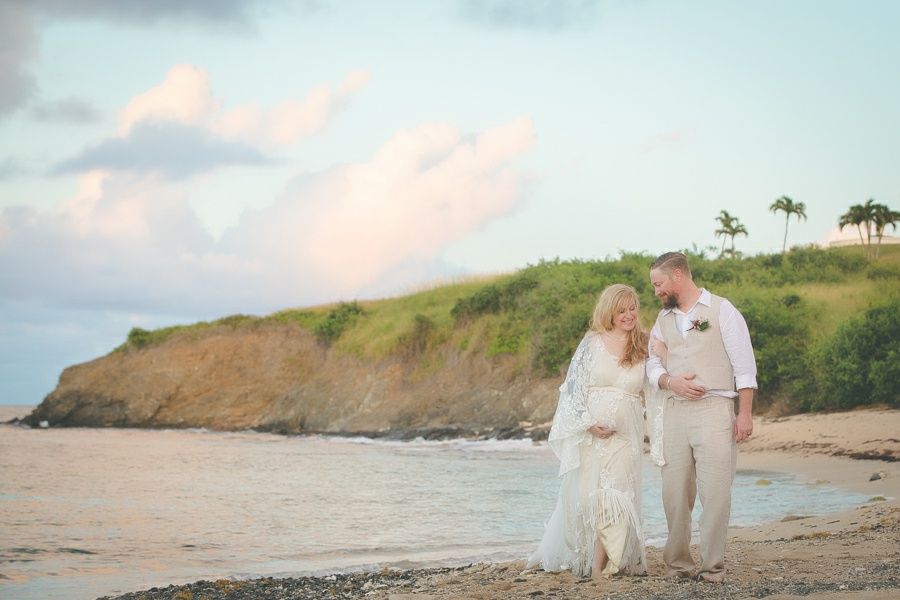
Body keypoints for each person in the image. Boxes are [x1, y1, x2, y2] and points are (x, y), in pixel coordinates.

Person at [527, 284, 657, 579]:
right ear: (608, 312)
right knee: (589, 498)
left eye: (633, 308)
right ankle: (589, 556)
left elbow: (660, 377)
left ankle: (602, 566)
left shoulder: (645, 343)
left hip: (627, 437)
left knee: (616, 495)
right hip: (591, 434)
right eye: (622, 310)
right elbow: (572, 389)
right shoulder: (592, 343)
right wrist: (587, 423)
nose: (629, 315)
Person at [645, 251, 756, 583]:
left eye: (659, 284)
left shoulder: (723, 311)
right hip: (675, 412)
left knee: (716, 492)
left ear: (678, 275)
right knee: (674, 492)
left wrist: (745, 415)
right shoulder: (662, 320)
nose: (656, 292)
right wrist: (669, 381)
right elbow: (652, 362)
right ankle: (678, 564)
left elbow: (745, 368)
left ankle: (712, 568)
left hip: (715, 410)